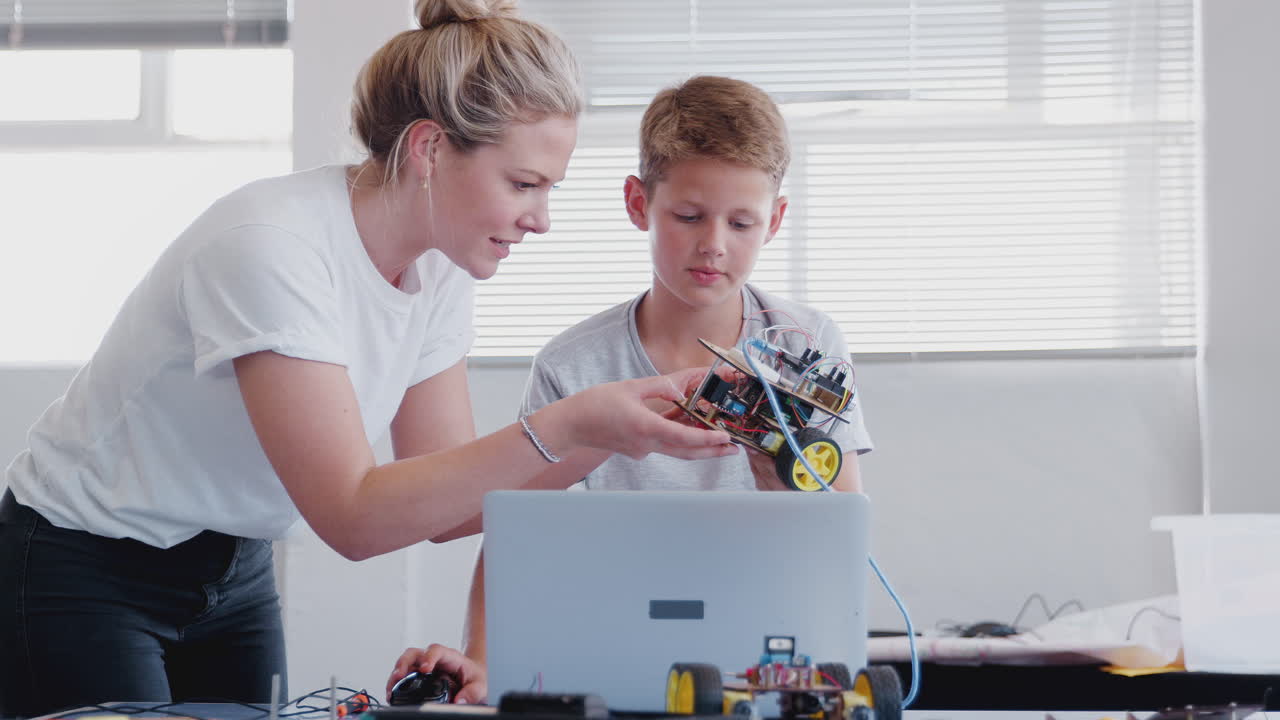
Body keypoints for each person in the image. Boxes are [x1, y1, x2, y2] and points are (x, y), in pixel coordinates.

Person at [0, 3, 739, 716]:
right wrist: (569, 421)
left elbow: (448, 509)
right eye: (523, 185)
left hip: (234, 567)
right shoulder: (273, 248)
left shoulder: (441, 265)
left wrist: (612, 431)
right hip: (85, 564)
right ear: (429, 150)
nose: (540, 220)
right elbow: (354, 518)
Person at [388, 75, 874, 704]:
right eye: (689, 216)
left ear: (776, 219)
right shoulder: (574, 365)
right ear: (637, 203)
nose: (714, 245)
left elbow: (840, 533)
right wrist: (485, 660)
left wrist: (782, 483)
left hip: (770, 665)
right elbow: (516, 532)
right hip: (610, 665)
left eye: (742, 222)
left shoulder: (806, 346)